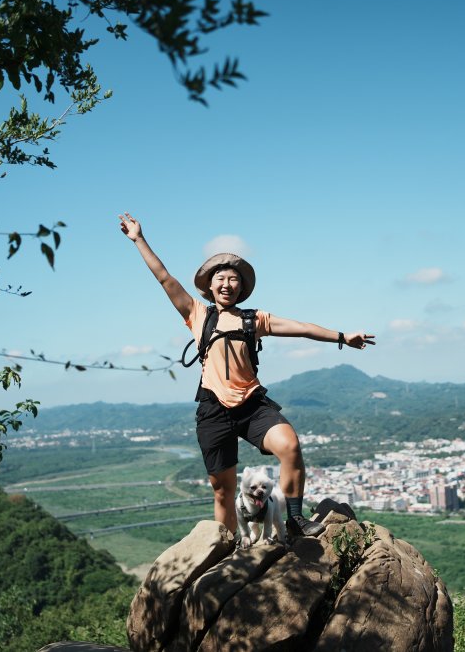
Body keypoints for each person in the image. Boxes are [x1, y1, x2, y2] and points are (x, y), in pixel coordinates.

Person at [119, 212, 375, 539]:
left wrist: (342, 336)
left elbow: (302, 328)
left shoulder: (256, 320)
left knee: (290, 446)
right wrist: (139, 239)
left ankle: (294, 520)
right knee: (222, 490)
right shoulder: (198, 314)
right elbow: (165, 279)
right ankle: (225, 548)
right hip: (213, 408)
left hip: (252, 404)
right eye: (220, 279)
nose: (227, 284)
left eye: (233, 279)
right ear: (209, 287)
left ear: (241, 287)